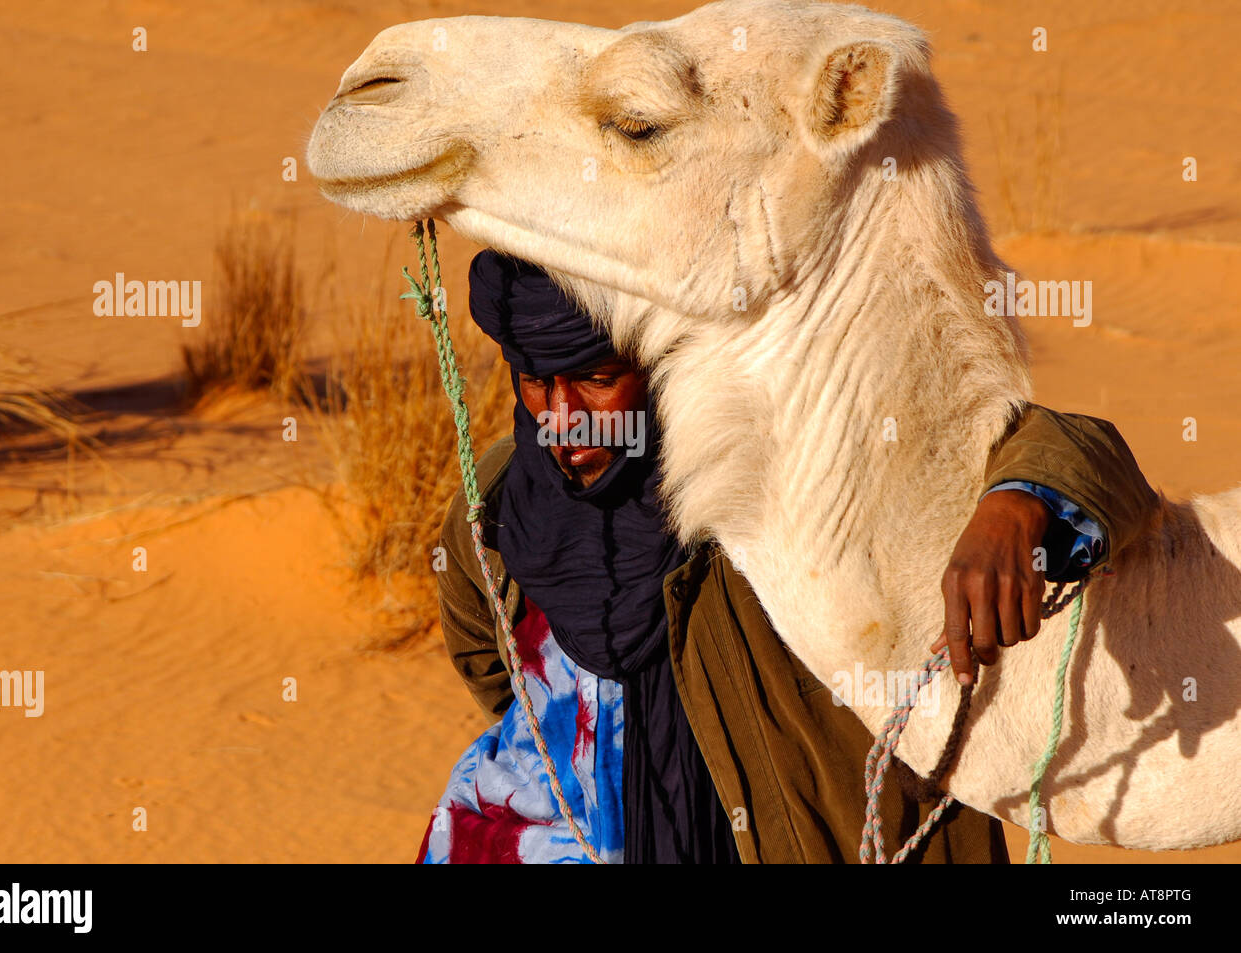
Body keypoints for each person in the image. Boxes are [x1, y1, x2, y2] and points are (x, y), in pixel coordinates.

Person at [416, 250, 1158, 864]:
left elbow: (1077, 445)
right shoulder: (498, 509)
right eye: (536, 382)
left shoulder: (779, 466)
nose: (562, 417)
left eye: (597, 379)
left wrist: (1017, 505)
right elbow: (497, 667)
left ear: (662, 362)